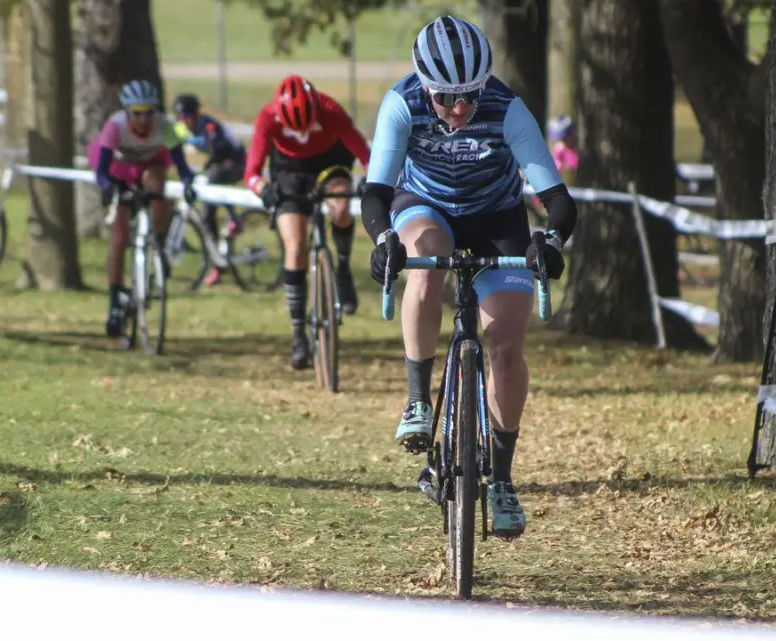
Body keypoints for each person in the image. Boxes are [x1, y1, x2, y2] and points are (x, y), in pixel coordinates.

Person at [359, 16, 577, 539]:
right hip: (423, 206)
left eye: (470, 97)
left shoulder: (507, 108)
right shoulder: (401, 103)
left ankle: (501, 479)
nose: (459, 109)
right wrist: (383, 240)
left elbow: (557, 199)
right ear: (424, 87)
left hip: (495, 216)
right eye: (446, 99)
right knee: (427, 257)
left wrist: (549, 241)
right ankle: (417, 396)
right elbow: (376, 193)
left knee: (504, 341)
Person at [244, 74, 370, 371]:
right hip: (289, 169)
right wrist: (263, 189)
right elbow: (251, 172)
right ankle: (299, 334)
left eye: (307, 123)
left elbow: (366, 155)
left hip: (330, 161)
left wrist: (369, 178)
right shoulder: (267, 119)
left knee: (340, 207)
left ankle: (342, 268)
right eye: (293, 127)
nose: (302, 131)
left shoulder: (331, 111)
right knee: (296, 246)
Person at [88, 79, 198, 338]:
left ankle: (157, 243)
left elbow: (182, 168)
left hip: (149, 166)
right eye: (137, 113)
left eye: (149, 112)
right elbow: (102, 170)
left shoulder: (165, 127)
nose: (143, 119)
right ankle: (115, 298)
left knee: (157, 183)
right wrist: (109, 188)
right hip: (118, 171)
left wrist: (188, 183)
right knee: (119, 236)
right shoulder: (115, 127)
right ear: (127, 112)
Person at [171, 93, 248, 287]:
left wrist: (205, 168)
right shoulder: (180, 129)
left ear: (195, 115)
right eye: (180, 118)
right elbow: (175, 148)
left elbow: (218, 151)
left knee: (213, 182)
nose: (184, 121)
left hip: (236, 162)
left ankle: (234, 220)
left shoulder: (209, 126)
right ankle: (217, 263)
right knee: (209, 204)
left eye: (187, 117)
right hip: (217, 165)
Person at [547, 114, 579, 179]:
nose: (560, 143)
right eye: (558, 139)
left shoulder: (573, 154)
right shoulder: (557, 151)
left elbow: (572, 168)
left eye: (564, 139)